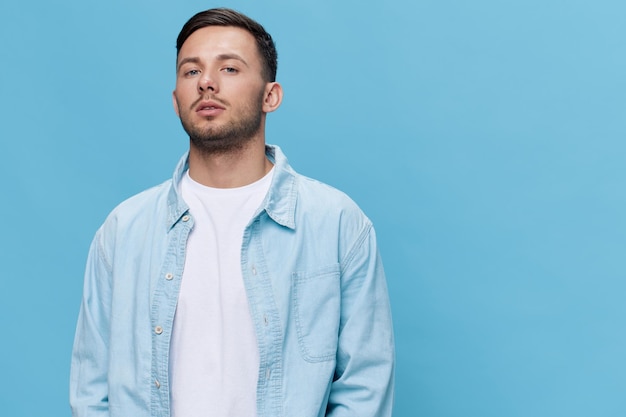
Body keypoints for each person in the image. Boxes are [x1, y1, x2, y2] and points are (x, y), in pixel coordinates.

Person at [70, 7, 394, 417]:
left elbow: (366, 386)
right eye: (191, 72)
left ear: (270, 96)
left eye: (229, 69)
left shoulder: (337, 224)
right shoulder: (124, 230)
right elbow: (91, 390)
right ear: (175, 100)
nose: (206, 82)